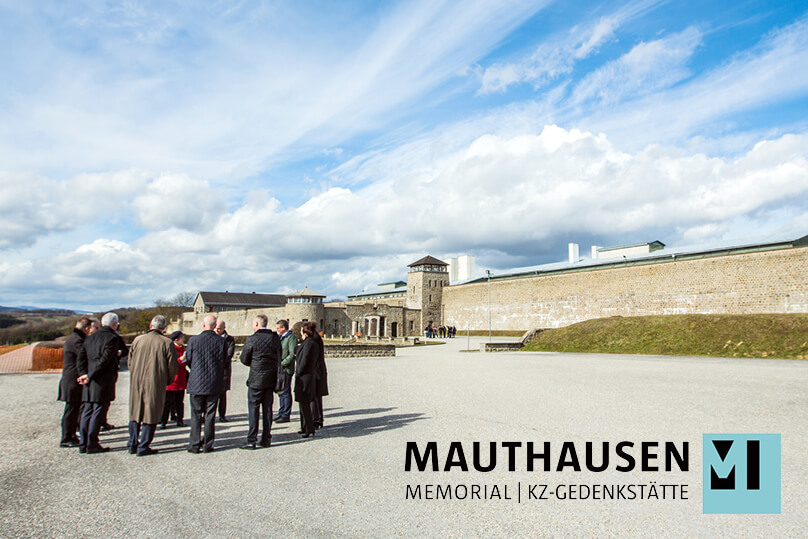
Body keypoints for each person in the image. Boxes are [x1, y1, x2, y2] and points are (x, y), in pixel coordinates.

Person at [127, 315, 178, 456]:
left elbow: (130, 362)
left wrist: (134, 374)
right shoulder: (167, 343)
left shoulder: (137, 340)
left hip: (137, 380)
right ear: (164, 328)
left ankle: (132, 443)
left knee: (135, 411)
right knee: (151, 412)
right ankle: (143, 445)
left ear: (150, 325)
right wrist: (167, 380)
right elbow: (173, 366)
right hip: (156, 381)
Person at [77, 312, 121, 454]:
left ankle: (83, 443)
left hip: (89, 380)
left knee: (87, 410)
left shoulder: (89, 338)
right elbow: (105, 360)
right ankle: (92, 443)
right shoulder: (112, 338)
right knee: (98, 411)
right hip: (102, 380)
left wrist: (83, 374)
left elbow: (81, 358)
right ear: (114, 324)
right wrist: (89, 375)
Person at [185, 314, 227, 453]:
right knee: (210, 415)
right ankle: (208, 444)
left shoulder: (193, 340)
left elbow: (189, 359)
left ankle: (194, 443)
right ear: (215, 326)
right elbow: (224, 361)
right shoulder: (221, 341)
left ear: (204, 325)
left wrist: (196, 370)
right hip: (213, 382)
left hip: (196, 381)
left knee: (196, 414)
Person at [240, 314, 281, 449]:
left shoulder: (252, 339)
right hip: (270, 377)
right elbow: (279, 356)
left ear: (257, 324)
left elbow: (244, 358)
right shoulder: (274, 338)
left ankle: (252, 439)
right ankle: (266, 438)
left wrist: (255, 363)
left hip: (256, 378)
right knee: (267, 409)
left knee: (254, 409)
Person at [57, 317, 96, 448]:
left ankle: (71, 434)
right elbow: (85, 356)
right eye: (90, 328)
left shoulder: (74, 339)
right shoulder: (77, 341)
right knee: (71, 409)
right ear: (85, 329)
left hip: (71, 378)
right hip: (72, 380)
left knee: (74, 409)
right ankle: (66, 437)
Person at [294, 322, 319, 438]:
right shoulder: (309, 343)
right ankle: (305, 427)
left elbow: (304, 361)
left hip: (305, 377)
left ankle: (309, 428)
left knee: (305, 403)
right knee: (303, 403)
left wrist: (298, 372)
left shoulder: (309, 344)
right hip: (306, 375)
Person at [161, 331, 188, 428]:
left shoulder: (182, 348)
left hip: (181, 378)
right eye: (182, 338)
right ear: (176, 340)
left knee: (180, 402)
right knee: (167, 402)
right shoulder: (171, 348)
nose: (183, 340)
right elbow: (170, 363)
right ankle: (163, 421)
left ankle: (180, 420)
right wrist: (181, 359)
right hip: (172, 379)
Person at [273, 319, 297, 423]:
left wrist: (283, 363)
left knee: (286, 390)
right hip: (279, 368)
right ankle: (281, 411)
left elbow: (292, 354)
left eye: (278, 328)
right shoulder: (280, 338)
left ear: (283, 328)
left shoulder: (291, 338)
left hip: (286, 368)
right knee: (280, 390)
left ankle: (286, 414)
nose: (277, 330)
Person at [214, 319, 235, 422]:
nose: (217, 330)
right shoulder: (211, 337)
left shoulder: (229, 339)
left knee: (222, 395)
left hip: (223, 370)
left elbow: (229, 355)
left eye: (219, 328)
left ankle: (222, 415)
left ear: (224, 328)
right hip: (212, 370)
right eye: (216, 328)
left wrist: (216, 360)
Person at [310, 325, 328, 429]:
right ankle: (318, 419)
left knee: (314, 396)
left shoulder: (313, 340)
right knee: (317, 397)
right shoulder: (317, 338)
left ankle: (316, 420)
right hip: (319, 370)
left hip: (315, 371)